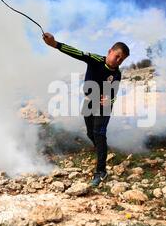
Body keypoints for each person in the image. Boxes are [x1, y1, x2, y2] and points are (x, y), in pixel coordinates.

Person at [43, 33, 130, 187]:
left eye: (122, 60)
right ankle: (101, 152)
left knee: (99, 133)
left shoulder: (116, 73)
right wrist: (55, 44)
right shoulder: (96, 60)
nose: (118, 61)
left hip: (104, 107)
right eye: (117, 56)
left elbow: (114, 94)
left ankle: (101, 171)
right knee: (91, 134)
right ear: (109, 51)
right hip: (89, 103)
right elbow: (77, 52)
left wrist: (108, 100)